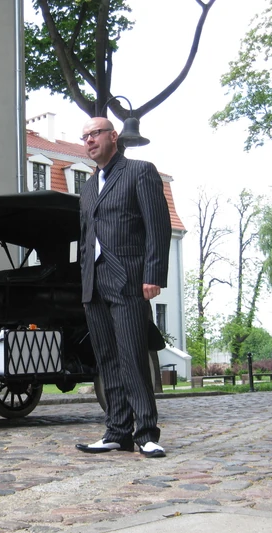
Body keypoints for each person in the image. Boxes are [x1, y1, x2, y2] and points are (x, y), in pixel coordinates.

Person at [75, 117, 172, 458]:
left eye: (95, 133)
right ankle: (117, 431)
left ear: (114, 136)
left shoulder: (139, 172)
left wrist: (153, 274)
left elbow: (158, 226)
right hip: (94, 283)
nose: (89, 140)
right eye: (84, 136)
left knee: (132, 356)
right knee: (107, 359)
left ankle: (146, 433)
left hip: (129, 278)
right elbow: (85, 238)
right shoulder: (88, 187)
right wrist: (84, 277)